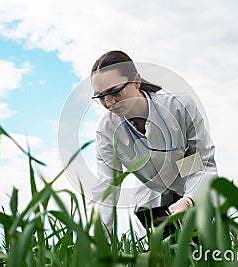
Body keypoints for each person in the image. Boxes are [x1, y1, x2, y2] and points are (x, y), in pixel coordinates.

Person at [89, 50, 218, 234]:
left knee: (205, 251)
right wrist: (99, 240)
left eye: (115, 91)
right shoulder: (107, 130)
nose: (109, 104)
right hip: (152, 204)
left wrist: (188, 200)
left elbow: (201, 162)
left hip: (192, 191)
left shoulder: (179, 108)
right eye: (101, 97)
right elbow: (107, 187)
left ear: (136, 81)